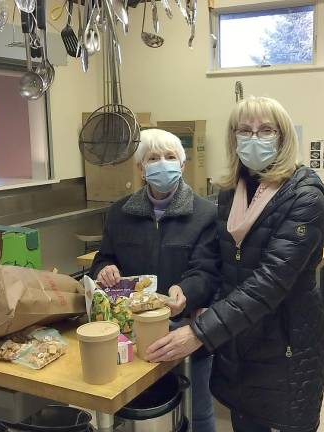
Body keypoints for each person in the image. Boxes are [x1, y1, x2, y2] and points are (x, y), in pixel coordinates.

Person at [147, 97, 324, 432]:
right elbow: (216, 259)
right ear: (234, 137)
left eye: (266, 130)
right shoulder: (232, 191)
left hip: (284, 345)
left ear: (284, 136)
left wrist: (200, 332)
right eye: (245, 130)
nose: (254, 137)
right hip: (239, 342)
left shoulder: (304, 194)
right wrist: (189, 292)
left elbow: (270, 282)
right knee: (244, 420)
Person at [90, 128, 220, 432]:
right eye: (153, 158)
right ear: (141, 168)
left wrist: (185, 291)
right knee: (134, 406)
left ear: (183, 165)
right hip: (130, 332)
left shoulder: (206, 214)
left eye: (170, 157)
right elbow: (103, 259)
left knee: (198, 411)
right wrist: (105, 269)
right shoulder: (119, 213)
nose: (162, 163)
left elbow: (208, 272)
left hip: (185, 330)